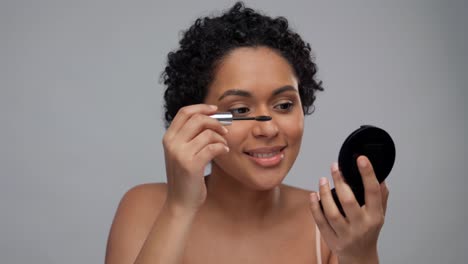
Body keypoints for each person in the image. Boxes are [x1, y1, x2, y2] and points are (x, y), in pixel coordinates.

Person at [105, 2, 389, 264]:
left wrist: (360, 254)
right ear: (194, 117)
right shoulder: (145, 209)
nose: (267, 128)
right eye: (239, 110)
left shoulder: (329, 225)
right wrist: (180, 207)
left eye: (284, 105)